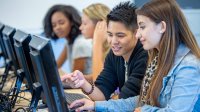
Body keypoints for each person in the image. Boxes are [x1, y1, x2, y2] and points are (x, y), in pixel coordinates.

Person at [69, 0, 200, 111]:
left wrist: (143, 110)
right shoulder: (158, 59)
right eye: (109, 34)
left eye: (142, 27)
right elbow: (141, 100)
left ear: (162, 27)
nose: (138, 35)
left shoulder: (188, 66)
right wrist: (96, 106)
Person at [61, 1, 148, 101]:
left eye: (120, 35)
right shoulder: (114, 54)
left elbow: (124, 100)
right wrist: (83, 83)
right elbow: (102, 93)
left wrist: (96, 105)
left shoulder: (144, 56)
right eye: (110, 35)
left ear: (136, 33)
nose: (113, 41)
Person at [43, 4, 92, 75]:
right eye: (54, 25)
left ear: (71, 21)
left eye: (61, 23)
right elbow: (55, 67)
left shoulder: (80, 43)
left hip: (90, 85)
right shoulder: (69, 42)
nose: (57, 28)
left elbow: (75, 77)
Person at [78, 3, 110, 81]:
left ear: (100, 24)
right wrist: (81, 79)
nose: (80, 27)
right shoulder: (100, 45)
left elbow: (99, 81)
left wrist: (97, 42)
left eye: (84, 23)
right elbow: (105, 74)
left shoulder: (114, 48)